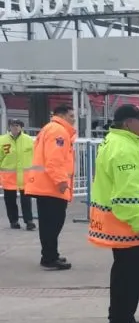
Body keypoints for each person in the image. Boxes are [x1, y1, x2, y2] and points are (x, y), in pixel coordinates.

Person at [89, 105, 139, 323]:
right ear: (129, 123)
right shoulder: (124, 150)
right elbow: (125, 197)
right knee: (128, 277)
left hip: (124, 227)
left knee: (123, 274)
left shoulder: (118, 142)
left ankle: (122, 317)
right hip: (129, 228)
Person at [24, 104, 76, 270]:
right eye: (71, 116)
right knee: (53, 224)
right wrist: (61, 182)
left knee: (48, 224)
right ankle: (49, 258)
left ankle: (50, 254)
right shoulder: (58, 131)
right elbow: (54, 160)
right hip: (52, 187)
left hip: (45, 185)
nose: (74, 119)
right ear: (62, 116)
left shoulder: (49, 128)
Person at [0, 119, 36, 230]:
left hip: (25, 177)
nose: (15, 127)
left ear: (21, 127)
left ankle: (29, 221)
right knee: (10, 201)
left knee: (26, 201)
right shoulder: (2, 140)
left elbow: (35, 156)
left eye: (17, 125)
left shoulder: (29, 140)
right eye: (13, 125)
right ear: (9, 127)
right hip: (8, 177)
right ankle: (13, 221)